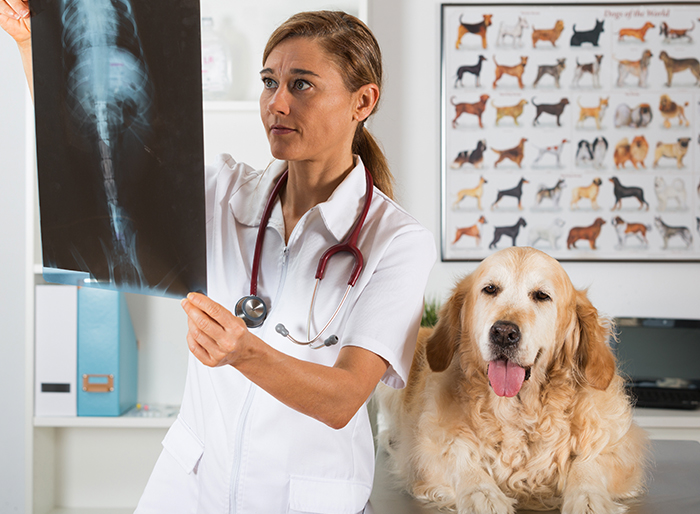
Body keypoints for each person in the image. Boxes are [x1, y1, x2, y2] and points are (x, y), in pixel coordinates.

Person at [2, 5, 436, 512]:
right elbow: (105, 170)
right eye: (269, 82)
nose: (277, 103)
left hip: (304, 498)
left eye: (301, 85)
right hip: (190, 486)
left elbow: (343, 399)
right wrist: (34, 46)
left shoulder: (398, 241)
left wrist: (242, 352)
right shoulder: (224, 192)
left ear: (363, 101)